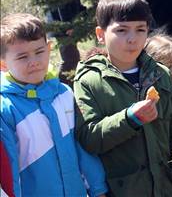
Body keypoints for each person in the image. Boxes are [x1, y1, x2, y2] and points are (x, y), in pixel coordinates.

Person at [74, 0, 172, 196]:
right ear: (100, 34)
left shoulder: (160, 74)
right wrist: (129, 119)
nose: (132, 39)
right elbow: (89, 138)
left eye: (140, 29)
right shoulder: (89, 80)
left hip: (167, 189)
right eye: (122, 30)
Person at [0, 13, 107, 197]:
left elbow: (83, 146)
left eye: (39, 52)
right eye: (22, 57)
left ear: (49, 48)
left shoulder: (65, 94)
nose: (33, 62)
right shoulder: (5, 107)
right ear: (3, 63)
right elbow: (8, 170)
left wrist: (98, 190)